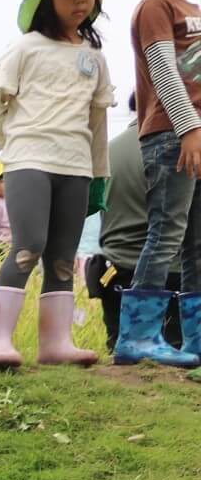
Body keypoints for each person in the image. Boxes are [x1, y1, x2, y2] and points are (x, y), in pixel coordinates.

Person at [0, 0, 113, 368]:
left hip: (75, 166)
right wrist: (13, 143)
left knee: (62, 256)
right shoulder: (26, 48)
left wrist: (99, 176)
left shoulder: (95, 58)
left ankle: (56, 344)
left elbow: (97, 123)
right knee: (28, 245)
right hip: (29, 160)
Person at [116, 0, 201, 366]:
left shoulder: (195, 10)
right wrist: (189, 128)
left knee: (199, 240)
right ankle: (138, 336)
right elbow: (165, 72)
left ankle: (196, 338)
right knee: (167, 230)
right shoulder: (156, 6)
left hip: (196, 136)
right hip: (173, 135)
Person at [88, 99, 187, 349]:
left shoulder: (108, 151)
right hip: (170, 280)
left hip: (112, 273)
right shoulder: (183, 149)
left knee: (120, 349)